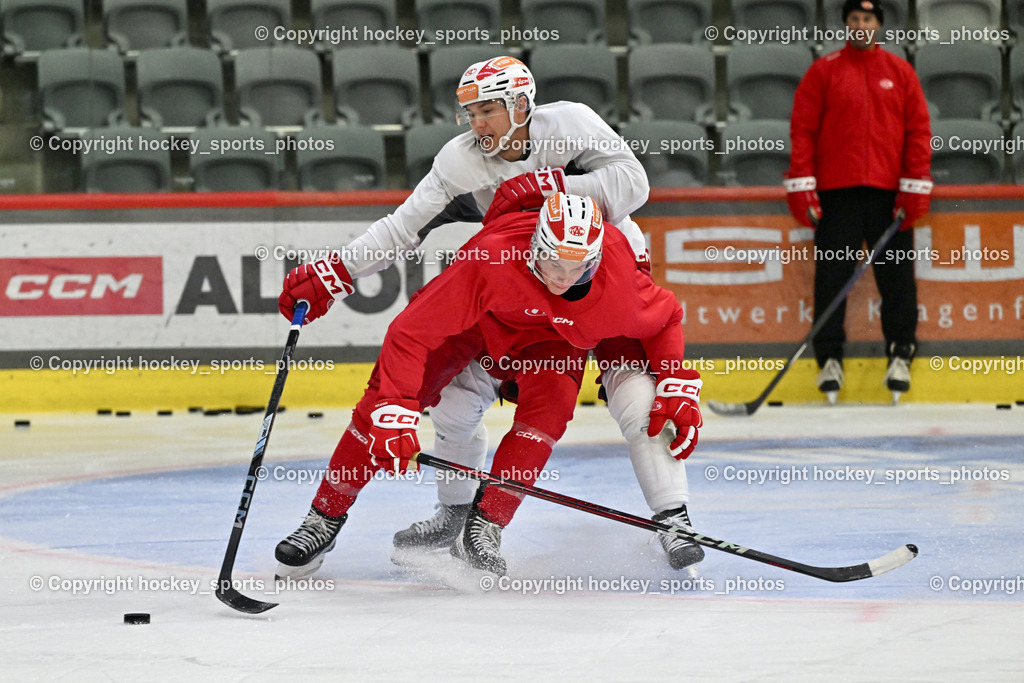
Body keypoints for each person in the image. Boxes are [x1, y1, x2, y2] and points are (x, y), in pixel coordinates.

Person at [279, 56, 702, 570]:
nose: (476, 123)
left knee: (640, 399)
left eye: (487, 110)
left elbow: (635, 186)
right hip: (514, 275)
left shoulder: (570, 124)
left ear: (522, 105)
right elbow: (402, 229)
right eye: (470, 113)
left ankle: (672, 516)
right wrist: (339, 271)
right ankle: (423, 514)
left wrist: (550, 187)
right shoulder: (463, 175)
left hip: (603, 275)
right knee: (453, 403)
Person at [785, 0, 932, 403]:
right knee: (832, 280)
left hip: (890, 197)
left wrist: (914, 186)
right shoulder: (824, 71)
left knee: (897, 280)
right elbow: (803, 129)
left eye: (868, 18)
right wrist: (803, 186)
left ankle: (900, 354)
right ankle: (829, 360)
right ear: (846, 24)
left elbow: (918, 132)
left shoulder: (900, 72)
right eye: (854, 18)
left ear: (878, 25)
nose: (861, 24)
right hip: (838, 196)